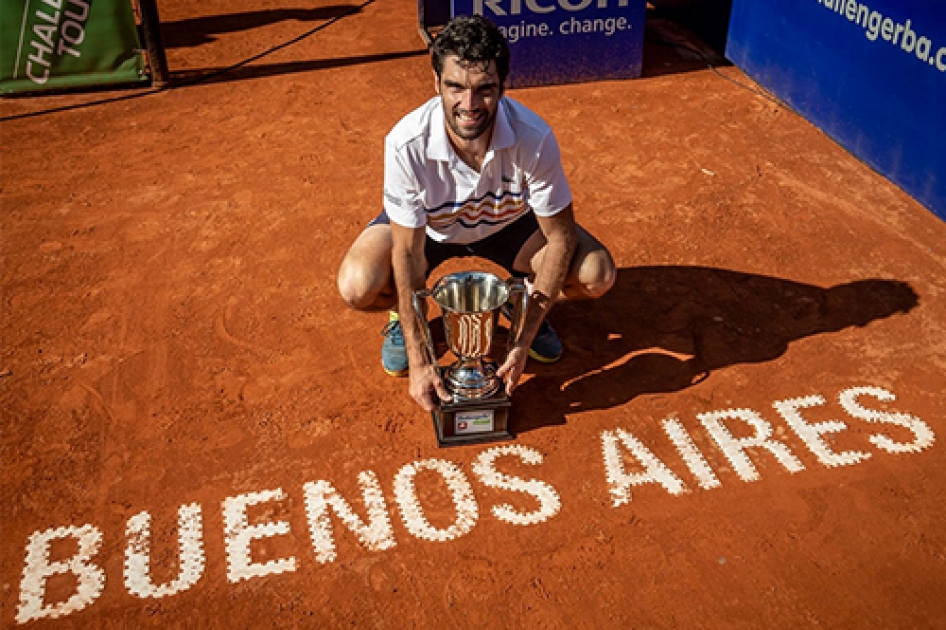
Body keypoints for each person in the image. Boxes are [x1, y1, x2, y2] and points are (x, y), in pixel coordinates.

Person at [337, 15, 615, 412]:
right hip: (429, 232)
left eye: (484, 89)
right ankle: (404, 318)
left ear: (502, 86)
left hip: (509, 226)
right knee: (357, 285)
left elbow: (560, 237)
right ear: (436, 85)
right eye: (455, 87)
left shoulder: (534, 137)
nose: (469, 106)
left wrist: (521, 340)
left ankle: (519, 303)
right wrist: (419, 359)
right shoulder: (405, 143)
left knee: (596, 275)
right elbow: (408, 251)